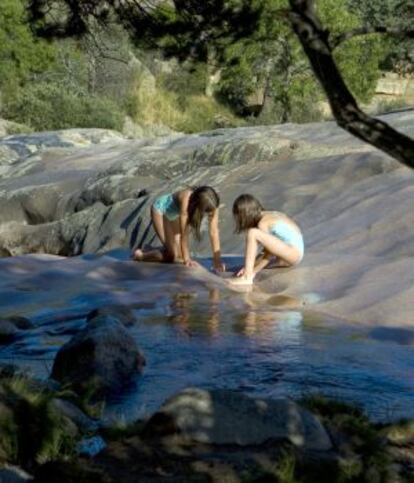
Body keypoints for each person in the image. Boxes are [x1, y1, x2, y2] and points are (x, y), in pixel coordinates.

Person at [132, 186, 225, 272]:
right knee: (172, 255)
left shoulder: (213, 202)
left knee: (180, 256)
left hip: (174, 215)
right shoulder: (186, 200)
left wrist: (217, 261)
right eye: (205, 212)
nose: (207, 214)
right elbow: (184, 233)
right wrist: (187, 259)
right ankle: (140, 255)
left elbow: (214, 231)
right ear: (198, 205)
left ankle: (152, 249)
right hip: (161, 211)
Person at [229, 194, 304, 285]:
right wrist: (248, 267)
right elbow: (269, 249)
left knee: (252, 233)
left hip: (293, 253)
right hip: (293, 253)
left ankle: (246, 278)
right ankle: (248, 273)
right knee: (254, 260)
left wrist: (253, 272)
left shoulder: (262, 224)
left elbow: (269, 253)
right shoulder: (271, 214)